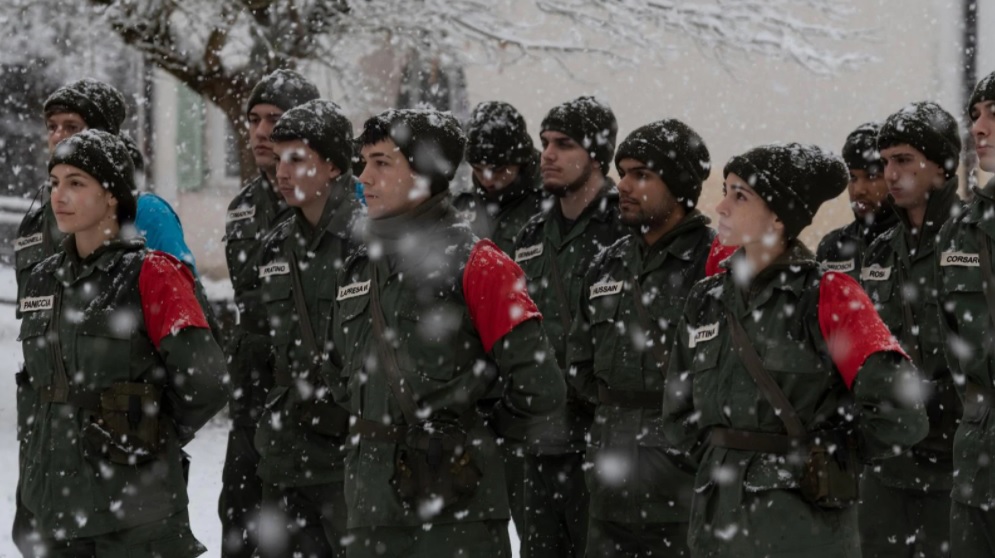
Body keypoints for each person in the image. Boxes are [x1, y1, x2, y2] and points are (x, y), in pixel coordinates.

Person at [661, 142, 929, 557]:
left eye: (739, 195)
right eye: (726, 191)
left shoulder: (831, 295)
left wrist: (828, 458)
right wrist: (727, 459)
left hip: (802, 533)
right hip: (715, 529)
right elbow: (678, 413)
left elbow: (902, 414)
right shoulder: (706, 298)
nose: (721, 206)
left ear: (777, 216)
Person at [323, 108, 566, 557]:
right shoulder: (360, 266)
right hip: (369, 509)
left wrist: (467, 434)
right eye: (363, 162)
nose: (363, 176)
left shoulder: (481, 264)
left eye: (381, 162)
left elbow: (540, 388)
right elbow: (339, 375)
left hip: (457, 517)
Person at [16, 129, 226, 556]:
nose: (60, 195)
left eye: (76, 183)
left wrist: (144, 429)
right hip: (53, 509)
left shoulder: (155, 274)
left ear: (112, 194)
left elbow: (206, 382)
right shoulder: (42, 278)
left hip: (133, 518)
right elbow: (36, 392)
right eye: (55, 182)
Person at [567, 119, 714, 557]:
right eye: (623, 172)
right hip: (609, 491)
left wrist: (671, 427)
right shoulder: (607, 265)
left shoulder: (714, 263)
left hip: (687, 492)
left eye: (642, 175)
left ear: (680, 186)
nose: (624, 186)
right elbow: (579, 366)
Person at [512, 96, 626, 558]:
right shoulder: (531, 237)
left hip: (607, 437)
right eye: (544, 143)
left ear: (597, 154)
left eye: (564, 143)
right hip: (542, 435)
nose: (548, 154)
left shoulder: (627, 228)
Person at [252, 99, 360, 558]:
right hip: (284, 452)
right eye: (278, 159)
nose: (282, 171)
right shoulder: (274, 245)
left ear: (333, 165)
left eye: (297, 158)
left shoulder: (369, 242)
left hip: (348, 456)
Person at [219, 69, 320, 558]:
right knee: (240, 529)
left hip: (310, 405)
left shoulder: (333, 206)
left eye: (274, 120)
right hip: (250, 400)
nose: (260, 132)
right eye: (254, 119)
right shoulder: (244, 206)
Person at [859, 101, 962, 557]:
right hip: (888, 466)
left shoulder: (979, 238)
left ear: (941, 165)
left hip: (962, 464)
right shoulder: (880, 252)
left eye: (903, 160)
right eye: (885, 162)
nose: (889, 174)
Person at [936, 69, 995, 557]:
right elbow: (955, 347)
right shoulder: (964, 229)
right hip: (978, 466)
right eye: (976, 115)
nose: (979, 128)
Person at [453, 100, 544, 255]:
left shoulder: (552, 204)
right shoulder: (459, 207)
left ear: (520, 161)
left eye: (498, 170)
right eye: (478, 169)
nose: (486, 180)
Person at [816, 122, 896, 281]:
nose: (859, 190)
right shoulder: (832, 248)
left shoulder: (914, 244)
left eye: (871, 177)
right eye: (852, 177)